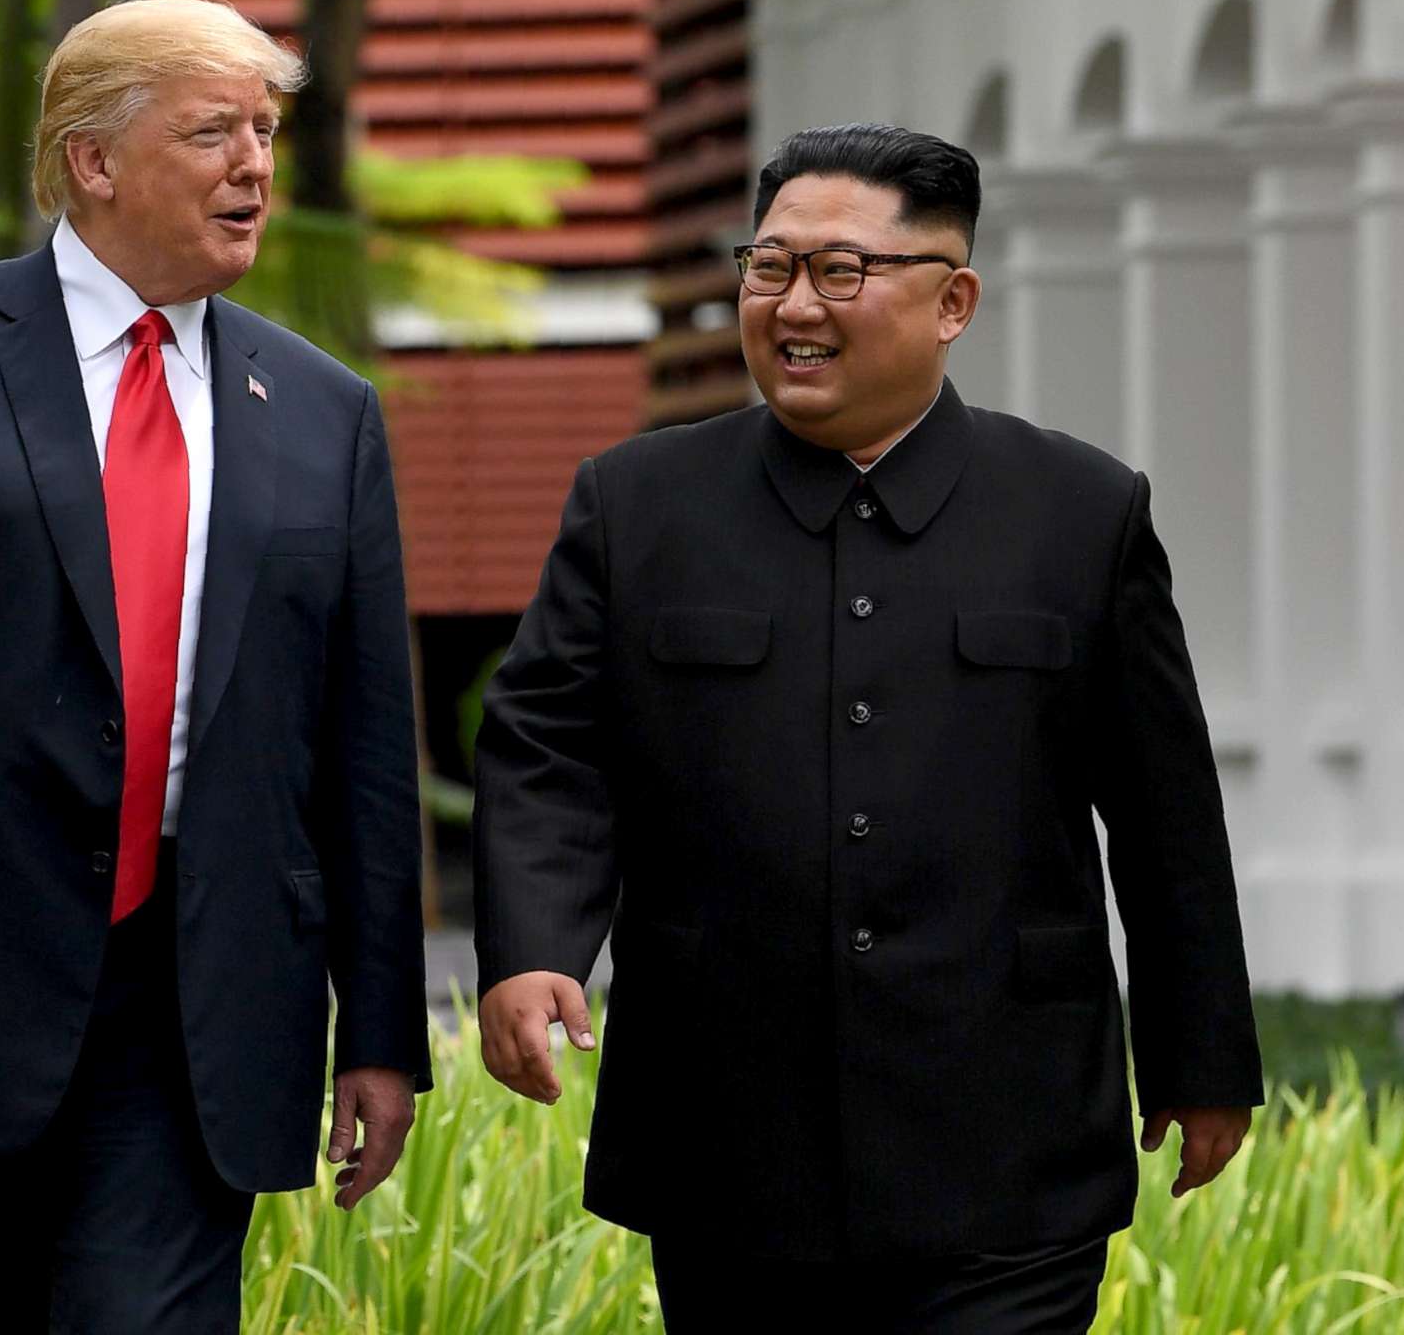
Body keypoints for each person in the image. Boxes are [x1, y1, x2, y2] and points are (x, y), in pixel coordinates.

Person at [471, 122, 1262, 1333]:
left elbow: (1164, 809)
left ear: (953, 301)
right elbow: (549, 749)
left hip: (1010, 1131)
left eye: (841, 272)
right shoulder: (639, 505)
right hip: (726, 1131)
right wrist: (533, 948)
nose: (795, 304)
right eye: (768, 265)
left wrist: (1201, 1054)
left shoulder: (1081, 509)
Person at [0, 0, 430, 1332]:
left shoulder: (325, 413)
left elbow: (362, 741)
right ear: (93, 161)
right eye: (212, 131)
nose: (254, 165)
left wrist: (386, 1029)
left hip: (203, 996)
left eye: (266, 132)